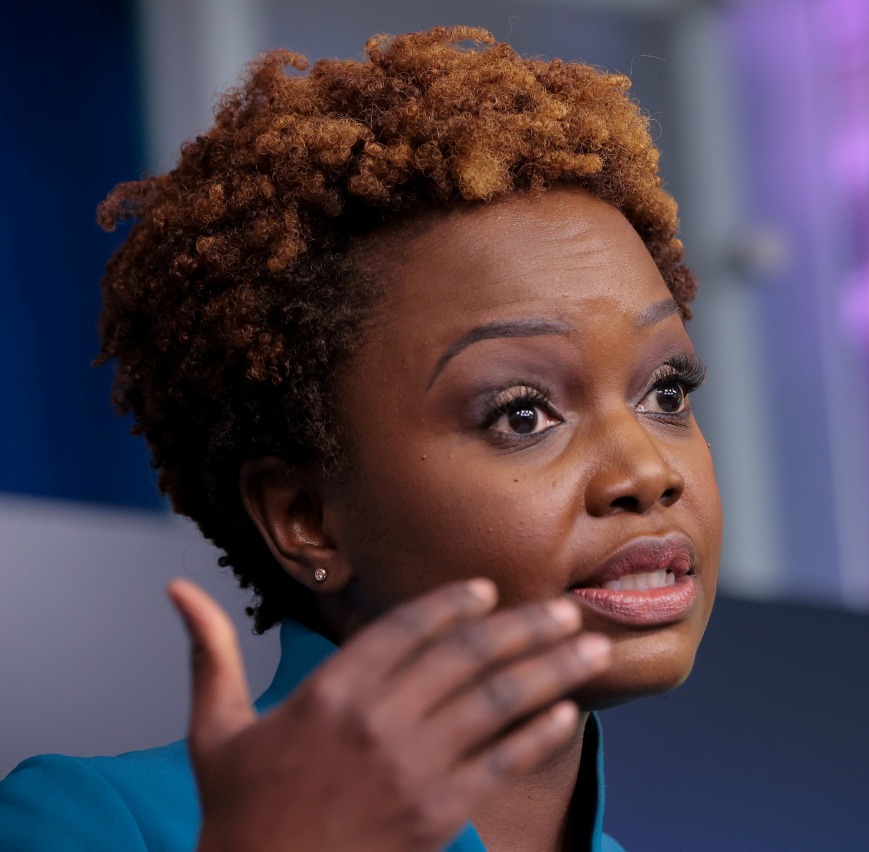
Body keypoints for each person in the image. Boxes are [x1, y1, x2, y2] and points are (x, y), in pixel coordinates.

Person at [0, 25, 721, 851]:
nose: (646, 470)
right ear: (304, 514)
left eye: (666, 392)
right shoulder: (94, 822)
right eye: (522, 414)